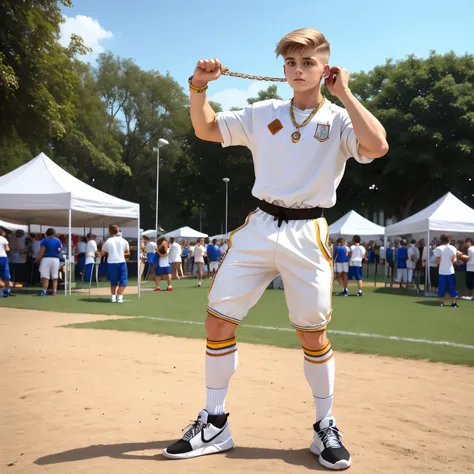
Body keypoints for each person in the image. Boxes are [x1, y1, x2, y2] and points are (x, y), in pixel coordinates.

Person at [163, 28, 388, 470]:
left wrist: (346, 94)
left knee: (312, 333)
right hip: (260, 224)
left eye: (307, 62)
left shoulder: (341, 119)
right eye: (291, 63)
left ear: (326, 67)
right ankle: (215, 422)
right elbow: (206, 128)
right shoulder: (262, 111)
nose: (298, 70)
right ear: (283, 68)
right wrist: (198, 87)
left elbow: (376, 146)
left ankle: (325, 426)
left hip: (309, 230)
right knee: (217, 321)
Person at [102, 225, 130, 303]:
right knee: (123, 280)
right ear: (118, 231)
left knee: (113, 281)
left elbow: (103, 252)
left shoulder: (108, 241)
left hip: (111, 262)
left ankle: (113, 297)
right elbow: (127, 253)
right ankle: (119, 296)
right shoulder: (124, 241)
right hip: (121, 261)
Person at [434, 234, 460, 308]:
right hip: (450, 271)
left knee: (442, 287)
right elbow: (453, 260)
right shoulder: (453, 248)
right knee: (452, 287)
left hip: (442, 271)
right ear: (449, 240)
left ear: (441, 240)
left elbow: (437, 262)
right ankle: (454, 303)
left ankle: (442, 303)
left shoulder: (438, 249)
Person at [35, 228, 63, 296]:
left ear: (46, 233)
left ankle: (44, 291)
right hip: (56, 259)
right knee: (55, 276)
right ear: (54, 233)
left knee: (45, 276)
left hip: (46, 259)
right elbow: (60, 250)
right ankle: (54, 291)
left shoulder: (44, 241)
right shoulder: (58, 241)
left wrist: (37, 258)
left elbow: (42, 251)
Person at [0, 228, 12, 297]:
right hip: (3, 257)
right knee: (6, 274)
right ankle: (7, 290)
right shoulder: (4, 239)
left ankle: (1, 290)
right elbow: (7, 249)